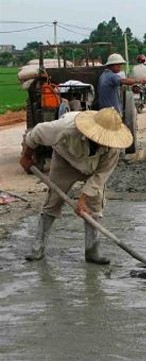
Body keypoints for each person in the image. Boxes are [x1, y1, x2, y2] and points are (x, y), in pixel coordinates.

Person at [19, 108, 134, 265]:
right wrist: (26, 157)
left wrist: (83, 199)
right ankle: (38, 247)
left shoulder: (113, 147)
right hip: (65, 160)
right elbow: (36, 133)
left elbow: (101, 176)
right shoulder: (66, 128)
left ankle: (92, 251)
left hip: (93, 168)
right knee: (53, 201)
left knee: (94, 204)